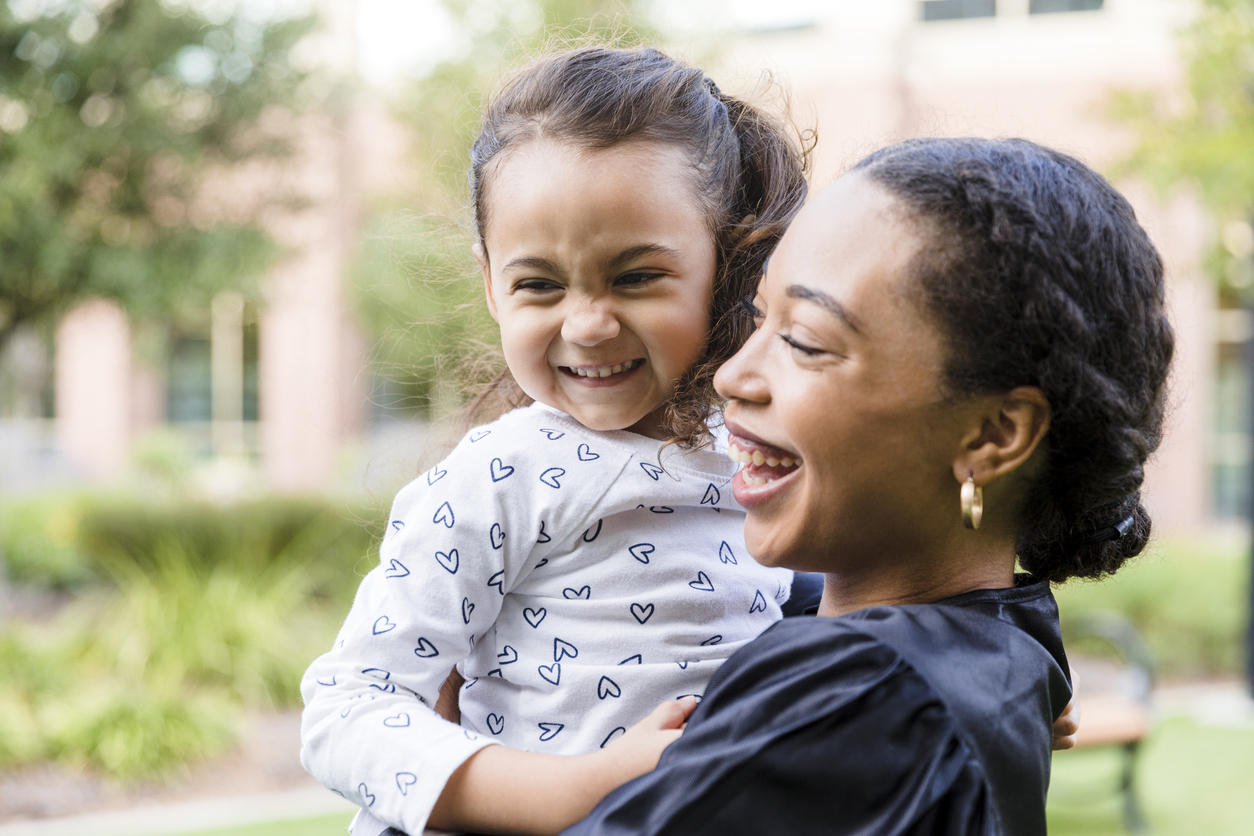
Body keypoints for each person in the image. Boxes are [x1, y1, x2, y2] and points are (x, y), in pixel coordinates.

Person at [563, 137, 1174, 835]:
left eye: (807, 341)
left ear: (993, 435)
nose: (733, 375)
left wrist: (440, 747)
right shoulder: (997, 651)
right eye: (760, 320)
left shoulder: (866, 697)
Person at [299, 46, 811, 836]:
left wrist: (964, 684)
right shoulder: (504, 474)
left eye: (637, 276)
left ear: (728, 265)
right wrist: (583, 786)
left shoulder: (759, 451)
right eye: (539, 283)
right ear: (491, 286)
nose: (588, 323)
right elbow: (348, 708)